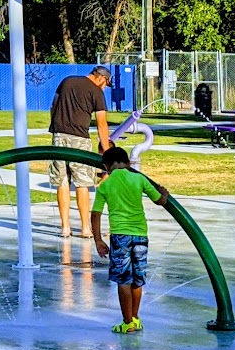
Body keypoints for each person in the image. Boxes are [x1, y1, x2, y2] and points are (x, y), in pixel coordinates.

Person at [90, 145, 165, 333]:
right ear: (129, 163)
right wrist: (164, 193)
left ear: (106, 167)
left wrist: (98, 240)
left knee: (123, 279)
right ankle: (135, 318)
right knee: (137, 279)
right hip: (140, 235)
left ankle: (127, 322)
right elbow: (159, 200)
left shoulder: (105, 185)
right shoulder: (138, 179)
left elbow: (96, 214)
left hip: (120, 237)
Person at [47, 65, 112, 239]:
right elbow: (102, 124)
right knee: (82, 183)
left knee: (62, 181)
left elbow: (53, 106)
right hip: (80, 139)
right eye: (105, 83)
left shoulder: (66, 82)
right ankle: (85, 228)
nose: (105, 87)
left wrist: (56, 127)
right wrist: (106, 151)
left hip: (59, 136)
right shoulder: (97, 92)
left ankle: (65, 227)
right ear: (100, 77)